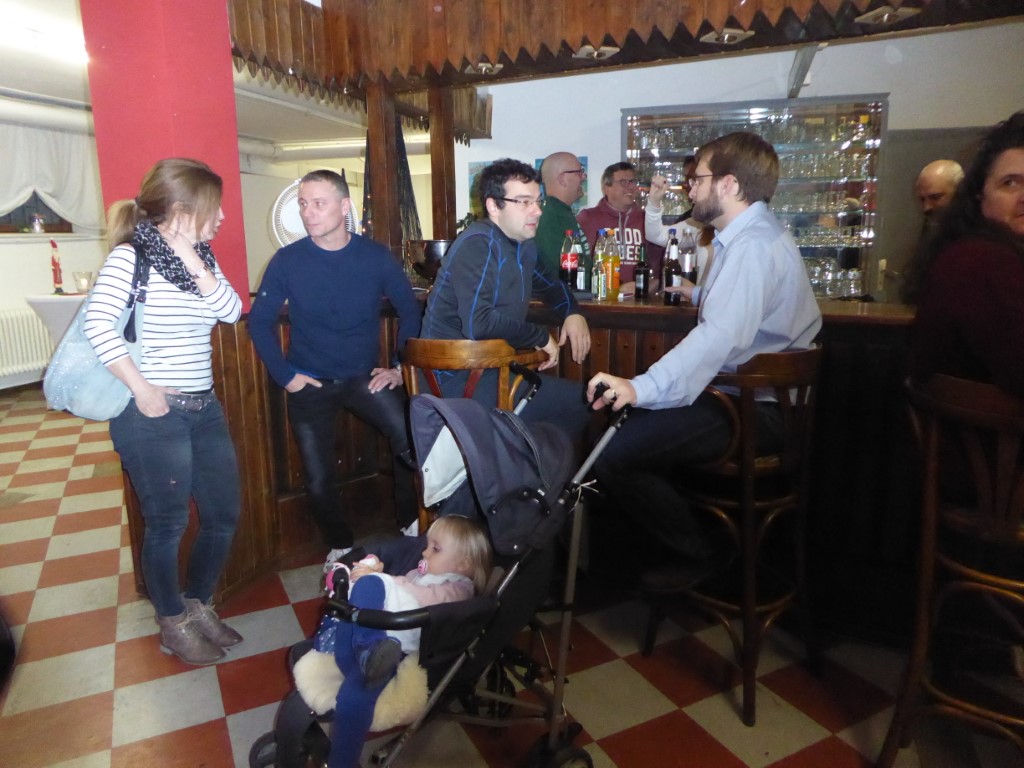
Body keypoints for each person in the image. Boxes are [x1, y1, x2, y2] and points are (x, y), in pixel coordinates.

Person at [586, 132, 822, 590]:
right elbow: (741, 316)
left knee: (614, 453)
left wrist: (640, 386)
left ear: (729, 185)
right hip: (761, 401)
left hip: (758, 409)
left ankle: (709, 553)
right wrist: (700, 295)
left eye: (698, 179)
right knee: (629, 432)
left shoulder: (751, 246)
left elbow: (720, 337)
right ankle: (696, 546)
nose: (690, 187)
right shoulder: (751, 237)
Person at [84, 158, 243, 665]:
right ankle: (172, 621)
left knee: (222, 515)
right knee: (168, 523)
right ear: (181, 209)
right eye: (214, 208)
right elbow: (97, 325)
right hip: (153, 413)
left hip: (204, 407)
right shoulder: (129, 258)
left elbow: (230, 311)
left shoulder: (200, 260)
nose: (221, 217)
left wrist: (192, 256)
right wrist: (142, 388)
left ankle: (197, 605)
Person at [249, 170, 422, 569]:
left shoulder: (375, 256)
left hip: (364, 378)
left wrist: (400, 365)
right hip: (309, 381)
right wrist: (286, 376)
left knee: (409, 436)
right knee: (317, 476)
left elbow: (409, 310)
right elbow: (259, 321)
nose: (307, 212)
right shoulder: (287, 261)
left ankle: (410, 524)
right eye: (303, 204)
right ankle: (340, 546)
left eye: (318, 203)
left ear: (344, 207)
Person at [908, 113, 1024, 681]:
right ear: (980, 197)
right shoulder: (983, 263)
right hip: (994, 488)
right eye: (1011, 182)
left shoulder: (974, 256)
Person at [421, 158, 591, 441]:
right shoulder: (479, 243)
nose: (537, 210)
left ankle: (517, 464)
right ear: (493, 206)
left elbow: (551, 286)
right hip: (453, 379)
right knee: (580, 400)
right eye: (524, 202)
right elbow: (479, 323)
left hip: (488, 369)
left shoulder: (523, 245)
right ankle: (519, 465)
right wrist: (540, 336)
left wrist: (573, 313)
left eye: (538, 201)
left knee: (569, 403)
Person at [323, 516, 492, 768]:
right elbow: (398, 595)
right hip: (374, 639)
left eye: (435, 549)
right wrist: (381, 574)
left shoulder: (459, 589)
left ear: (463, 564)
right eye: (427, 545)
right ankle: (366, 650)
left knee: (353, 698)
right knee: (358, 598)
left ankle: (341, 762)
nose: (424, 552)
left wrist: (385, 581)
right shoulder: (420, 573)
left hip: (398, 646)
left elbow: (427, 599)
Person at [577, 161, 665, 296]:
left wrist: (649, 285)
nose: (630, 187)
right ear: (606, 188)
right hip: (600, 299)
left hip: (640, 301)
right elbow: (577, 264)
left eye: (633, 182)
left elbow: (661, 267)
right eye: (623, 182)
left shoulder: (648, 220)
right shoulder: (587, 218)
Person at [901, 159, 966, 303]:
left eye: (935, 197)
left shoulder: (978, 238)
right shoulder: (932, 235)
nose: (927, 207)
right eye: (922, 200)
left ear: (960, 193)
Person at [535, 151, 590, 280]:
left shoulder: (562, 212)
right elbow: (560, 273)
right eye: (579, 172)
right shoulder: (550, 218)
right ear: (562, 179)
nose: (584, 177)